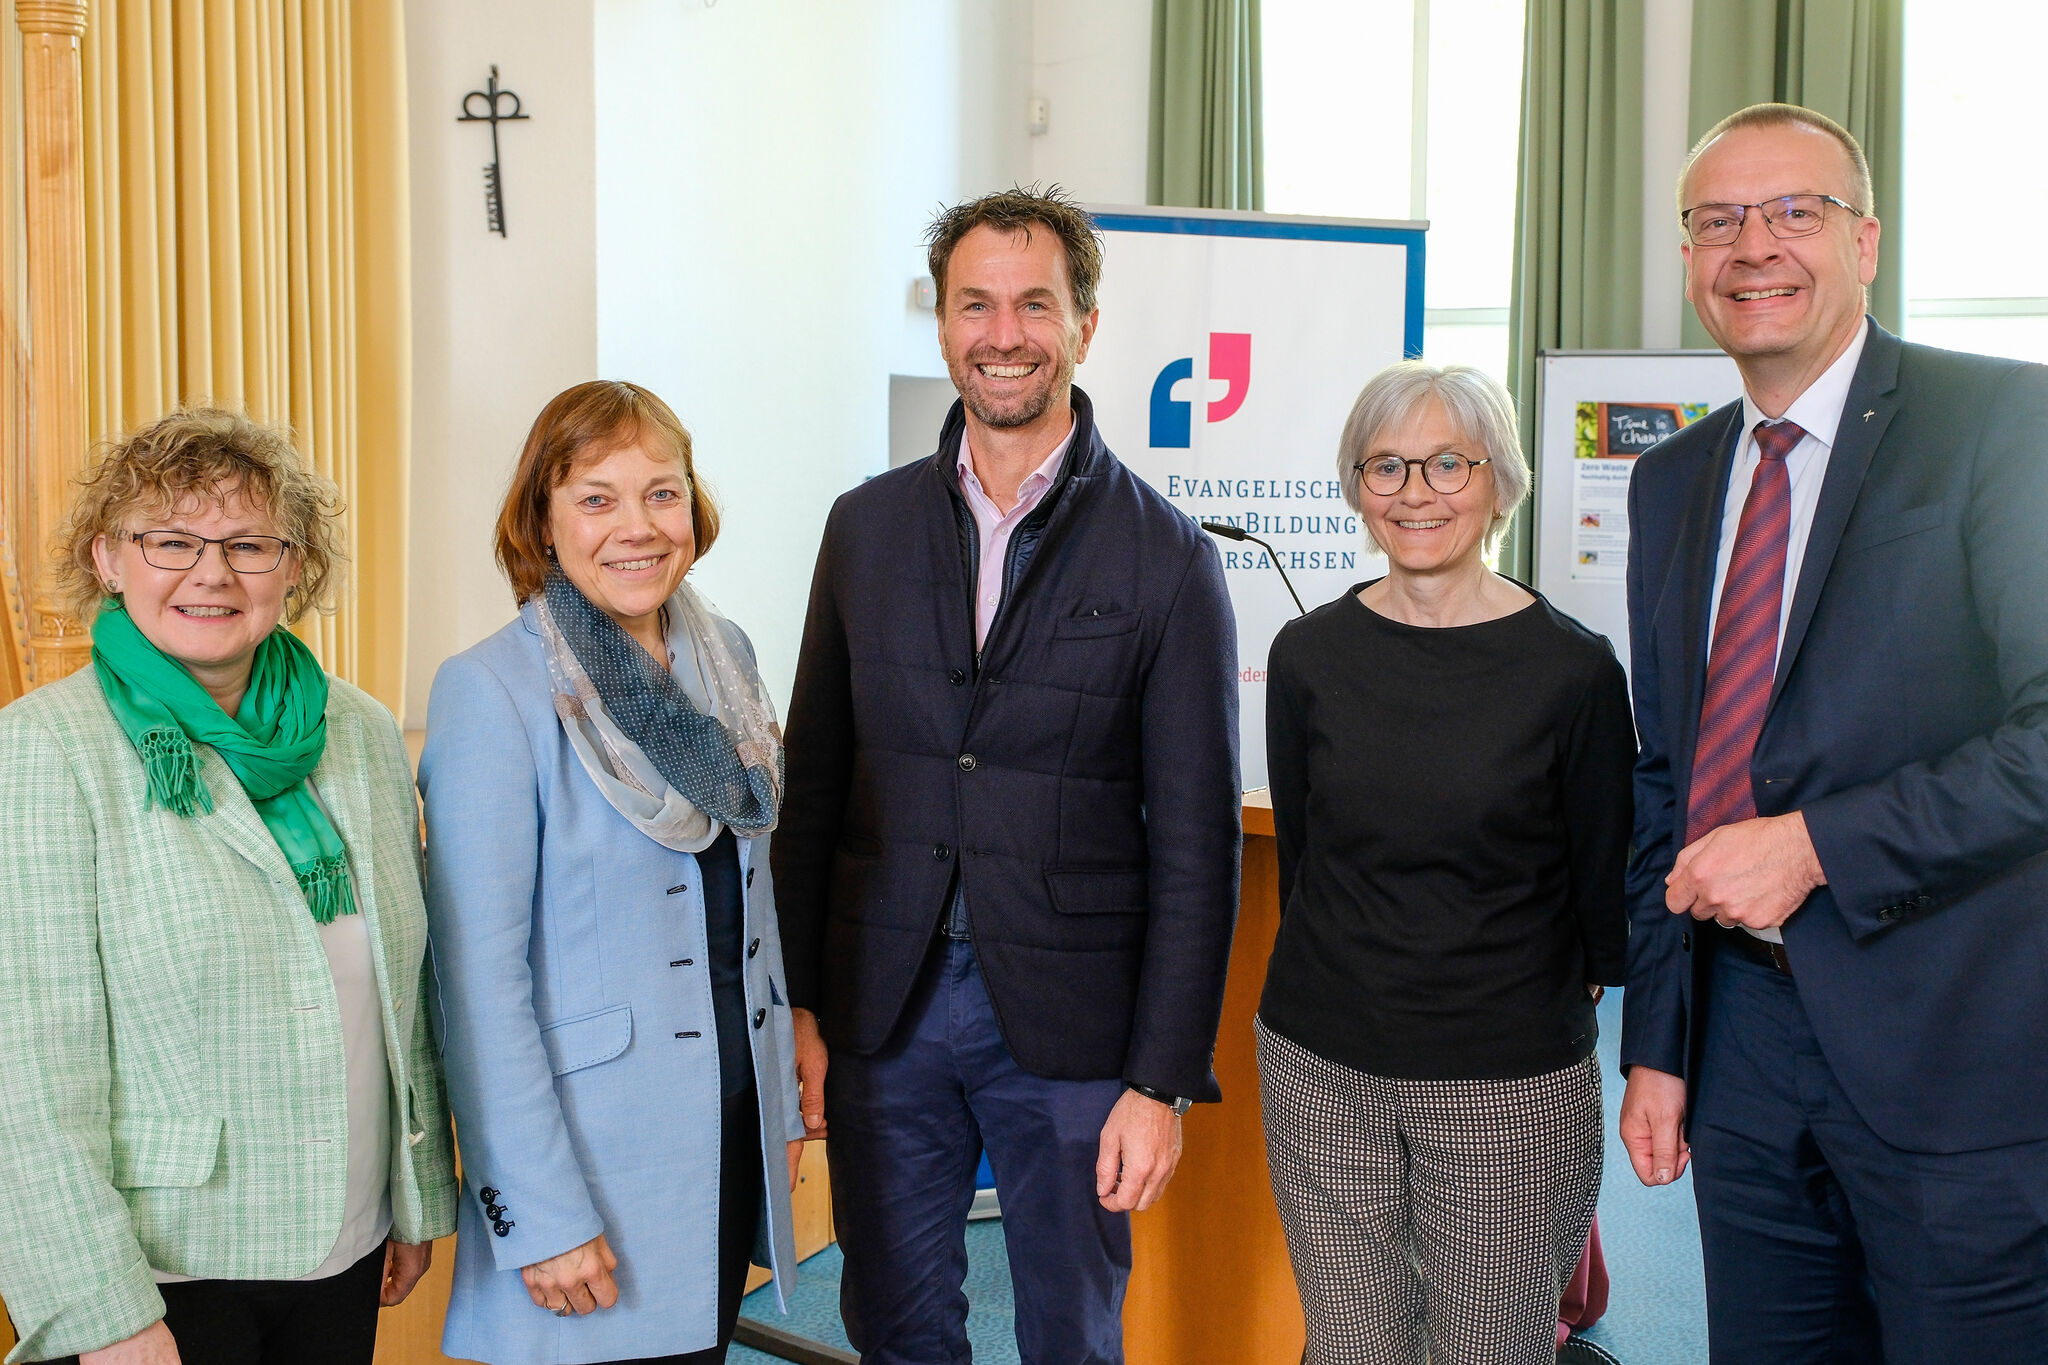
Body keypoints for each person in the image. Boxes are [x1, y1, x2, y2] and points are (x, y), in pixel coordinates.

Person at [772, 185, 1241, 1364]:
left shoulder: (1170, 557)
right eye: (973, 304)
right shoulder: (863, 528)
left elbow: (1196, 848)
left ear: (1084, 321)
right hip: (885, 1005)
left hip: (1077, 1027)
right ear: (939, 325)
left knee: (1071, 1333)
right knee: (894, 1318)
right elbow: (814, 784)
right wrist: (802, 1011)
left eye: (1034, 304)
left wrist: (1159, 1080)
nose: (1002, 333)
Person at [1619, 102, 2048, 1362]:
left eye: (1791, 211)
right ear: (1688, 258)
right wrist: (1657, 1046)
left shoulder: (2003, 426)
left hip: (1953, 1048)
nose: (1752, 246)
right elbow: (1664, 775)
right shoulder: (1674, 477)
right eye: (1716, 221)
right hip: (1740, 1047)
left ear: (1865, 240)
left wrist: (1817, 844)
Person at [0, 409, 457, 1365]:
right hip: (162, 1271)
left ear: (294, 567)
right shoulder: (47, 747)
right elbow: (28, 1069)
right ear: (108, 559)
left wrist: (410, 1194)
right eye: (170, 540)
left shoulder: (362, 731)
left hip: (345, 1236)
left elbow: (400, 988)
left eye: (249, 543)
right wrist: (102, 1310)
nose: (212, 572)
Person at [419, 380, 805, 1365]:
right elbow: (475, 988)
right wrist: (537, 1214)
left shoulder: (727, 659)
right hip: (587, 1166)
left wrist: (778, 1084)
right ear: (541, 524)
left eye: (660, 493)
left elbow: (744, 908)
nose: (636, 527)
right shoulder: (490, 693)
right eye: (596, 498)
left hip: (718, 1140)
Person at [1257, 361, 1634, 1364]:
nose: (1414, 492)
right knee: (1349, 1343)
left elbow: (1603, 898)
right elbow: (1306, 859)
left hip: (1503, 1079)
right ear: (1354, 484)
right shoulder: (1305, 655)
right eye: (1385, 466)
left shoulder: (1574, 670)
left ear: (1497, 481)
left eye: (1445, 464)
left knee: (1486, 1347)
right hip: (1317, 1060)